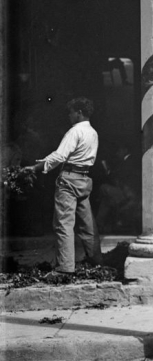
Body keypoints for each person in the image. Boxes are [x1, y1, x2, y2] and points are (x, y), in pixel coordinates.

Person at [23, 97, 102, 277]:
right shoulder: (93, 132)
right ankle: (96, 261)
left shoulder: (75, 131)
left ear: (79, 112)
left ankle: (65, 268)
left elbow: (60, 156)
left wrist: (35, 167)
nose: (69, 116)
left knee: (63, 224)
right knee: (87, 224)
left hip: (69, 180)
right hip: (84, 180)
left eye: (71, 112)